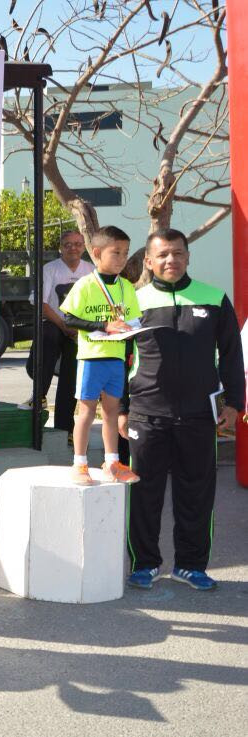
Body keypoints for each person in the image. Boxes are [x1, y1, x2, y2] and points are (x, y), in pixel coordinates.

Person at [120, 229, 244, 591]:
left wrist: (235, 403)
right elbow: (119, 358)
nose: (170, 260)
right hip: (146, 412)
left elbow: (232, 356)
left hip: (198, 414)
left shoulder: (215, 297)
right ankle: (145, 563)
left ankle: (191, 565)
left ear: (188, 256)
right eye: (162, 255)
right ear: (149, 261)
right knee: (144, 492)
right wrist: (122, 410)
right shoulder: (132, 301)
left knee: (197, 492)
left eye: (177, 253)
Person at [58, 226, 141, 486]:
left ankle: (112, 462)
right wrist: (103, 326)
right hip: (92, 357)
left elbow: (133, 320)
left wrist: (132, 329)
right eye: (115, 252)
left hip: (116, 358)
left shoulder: (126, 286)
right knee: (85, 411)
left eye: (125, 253)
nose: (122, 258)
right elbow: (69, 318)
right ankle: (79, 464)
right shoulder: (85, 284)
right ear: (96, 253)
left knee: (112, 413)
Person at [20, 230, 94, 445]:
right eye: (68, 244)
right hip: (53, 323)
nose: (73, 247)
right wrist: (63, 325)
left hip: (78, 329)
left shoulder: (90, 271)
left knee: (71, 378)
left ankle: (65, 428)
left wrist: (79, 328)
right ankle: (39, 396)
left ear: (83, 247)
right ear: (60, 247)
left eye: (77, 244)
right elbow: (41, 303)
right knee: (48, 340)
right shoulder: (50, 269)